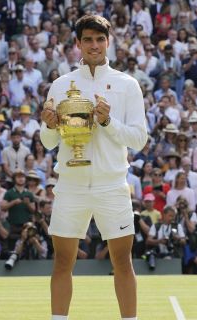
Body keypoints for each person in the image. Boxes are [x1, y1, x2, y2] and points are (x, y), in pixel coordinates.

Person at [39, 15, 147, 320]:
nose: (94, 45)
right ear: (78, 43)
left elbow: (139, 138)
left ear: (109, 42)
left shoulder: (128, 85)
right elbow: (47, 141)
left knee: (123, 261)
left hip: (112, 184)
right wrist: (49, 126)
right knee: (62, 261)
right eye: (88, 39)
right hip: (71, 184)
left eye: (100, 39)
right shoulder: (60, 85)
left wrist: (108, 122)